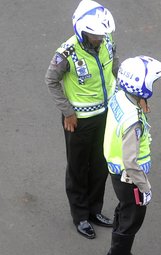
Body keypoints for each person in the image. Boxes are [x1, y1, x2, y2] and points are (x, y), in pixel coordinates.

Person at [45, 0, 117, 239]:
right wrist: (68, 112)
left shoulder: (107, 42)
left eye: (102, 34)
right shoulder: (66, 53)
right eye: (95, 35)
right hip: (79, 121)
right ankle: (81, 217)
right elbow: (51, 81)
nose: (100, 38)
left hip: (105, 115)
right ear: (82, 30)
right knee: (78, 168)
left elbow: (114, 66)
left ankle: (95, 210)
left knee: (100, 165)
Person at [103, 56, 161, 255]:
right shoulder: (134, 120)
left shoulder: (120, 96)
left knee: (123, 212)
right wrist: (144, 186)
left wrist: (140, 102)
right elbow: (130, 161)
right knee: (131, 219)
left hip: (115, 169)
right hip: (129, 176)